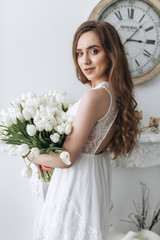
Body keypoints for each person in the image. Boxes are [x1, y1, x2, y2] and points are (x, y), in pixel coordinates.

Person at [31, 21, 140, 240]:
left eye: (94, 51)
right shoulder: (113, 95)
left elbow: (66, 158)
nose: (85, 61)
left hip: (75, 186)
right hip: (90, 183)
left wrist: (30, 154)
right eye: (79, 53)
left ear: (111, 53)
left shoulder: (94, 97)